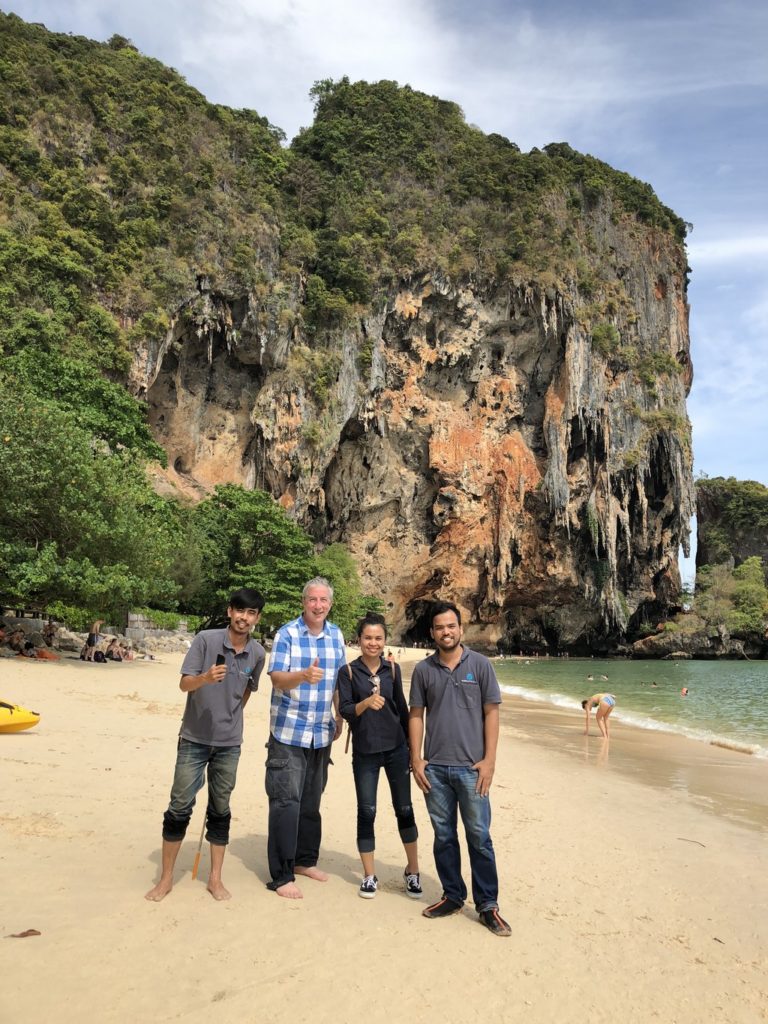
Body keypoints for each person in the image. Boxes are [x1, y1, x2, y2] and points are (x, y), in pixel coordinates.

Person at [145, 588, 265, 903]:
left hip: (229, 743)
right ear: (230, 611)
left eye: (251, 613)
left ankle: (215, 879)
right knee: (179, 807)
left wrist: (231, 716)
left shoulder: (258, 654)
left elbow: (247, 691)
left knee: (220, 809)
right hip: (194, 739)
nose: (244, 617)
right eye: (239, 610)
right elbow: (184, 683)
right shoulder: (206, 641)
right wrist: (205, 678)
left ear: (257, 618)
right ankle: (166, 878)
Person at [409, 601, 511, 937]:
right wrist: (416, 758)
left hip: (472, 769)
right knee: (443, 836)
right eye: (439, 627)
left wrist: (490, 762)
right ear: (432, 633)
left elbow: (491, 714)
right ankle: (452, 895)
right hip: (435, 768)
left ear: (460, 629)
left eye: (451, 626)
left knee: (479, 837)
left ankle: (488, 905)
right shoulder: (424, 670)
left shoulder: (480, 666)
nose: (446, 632)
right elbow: (416, 715)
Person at [265, 577, 346, 899]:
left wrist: (339, 717)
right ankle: (281, 876)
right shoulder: (286, 634)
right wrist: (302, 675)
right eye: (312, 600)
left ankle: (305, 861)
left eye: (323, 600)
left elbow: (340, 681)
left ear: (330, 604)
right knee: (286, 802)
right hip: (289, 731)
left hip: (320, 733)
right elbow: (276, 679)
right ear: (303, 602)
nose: (318, 605)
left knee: (312, 803)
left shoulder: (336, 635)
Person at [338, 611, 421, 900]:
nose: (373, 643)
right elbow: (345, 710)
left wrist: (413, 751)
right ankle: (369, 876)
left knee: (405, 809)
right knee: (367, 811)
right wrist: (366, 703)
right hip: (366, 752)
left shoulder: (393, 670)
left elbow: (402, 710)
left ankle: (412, 871)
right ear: (359, 640)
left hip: (396, 749)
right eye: (367, 638)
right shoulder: (348, 672)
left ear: (385, 641)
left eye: (378, 638)